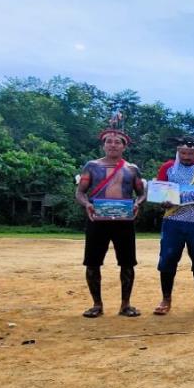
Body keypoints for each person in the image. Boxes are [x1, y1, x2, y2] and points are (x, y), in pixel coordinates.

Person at [75, 120, 145, 318]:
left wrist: (137, 204)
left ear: (124, 146)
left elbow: (141, 193)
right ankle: (97, 305)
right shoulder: (92, 166)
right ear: (103, 145)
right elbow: (80, 192)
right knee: (92, 262)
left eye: (117, 142)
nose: (113, 145)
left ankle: (125, 305)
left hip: (124, 221)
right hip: (98, 220)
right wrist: (87, 204)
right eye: (109, 141)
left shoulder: (132, 169)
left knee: (127, 263)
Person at [153, 136, 194, 315]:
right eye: (183, 153)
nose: (187, 157)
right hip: (173, 222)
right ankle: (166, 299)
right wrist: (164, 202)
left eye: (191, 153)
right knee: (167, 260)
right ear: (178, 151)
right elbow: (159, 194)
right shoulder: (168, 167)